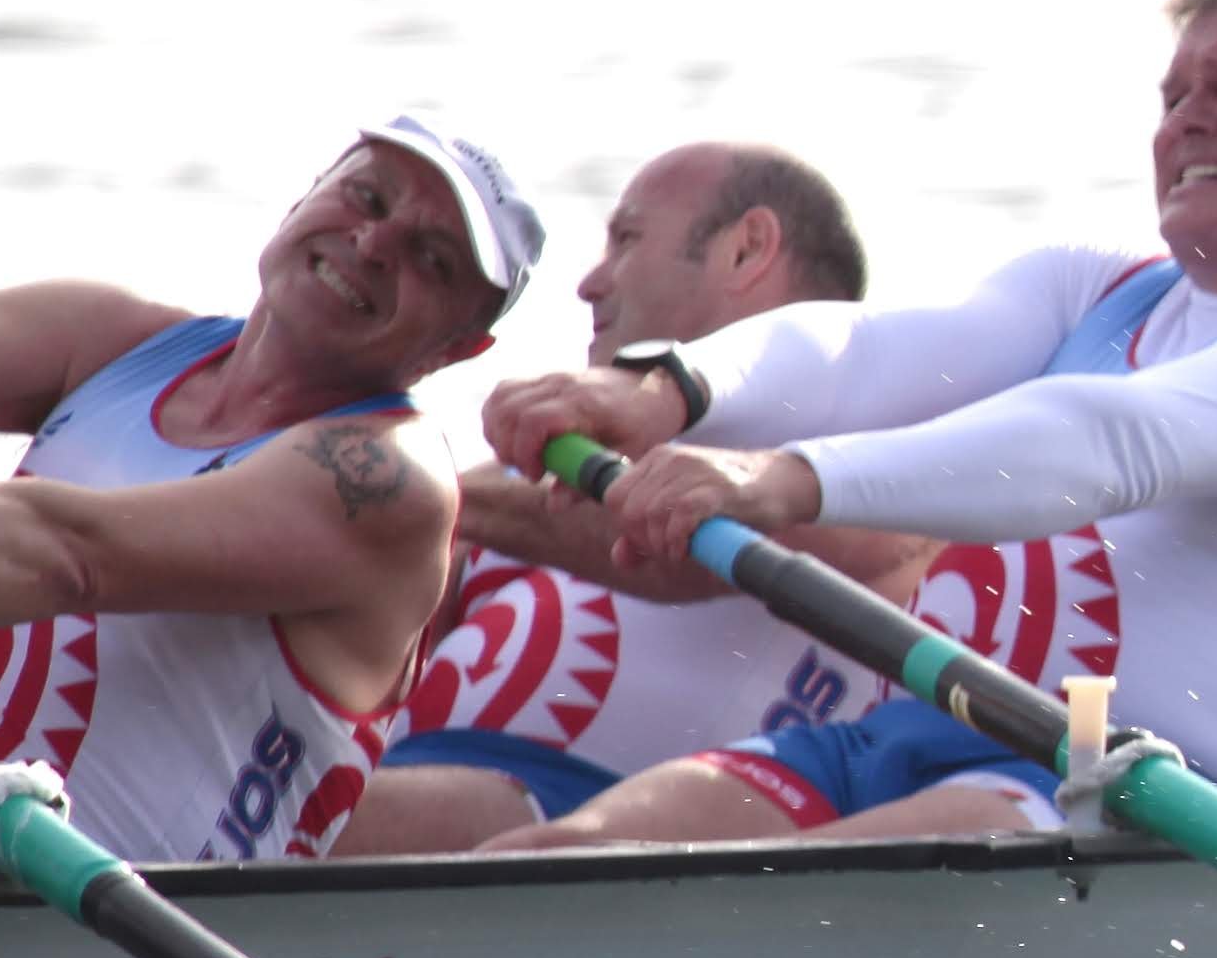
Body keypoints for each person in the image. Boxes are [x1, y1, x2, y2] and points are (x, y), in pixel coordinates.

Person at [479, 0, 1217, 840]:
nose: (1188, 118)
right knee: (549, 874)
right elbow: (864, 355)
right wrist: (671, 390)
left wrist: (777, 479)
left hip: (1151, 819)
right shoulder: (1098, 287)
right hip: (913, 745)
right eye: (1172, 95)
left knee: (727, 920)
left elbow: (1111, 443)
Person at [0, 114, 543, 869]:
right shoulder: (112, 340)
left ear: (460, 347)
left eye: (432, 258)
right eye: (368, 198)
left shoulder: (390, 482)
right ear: (304, 199)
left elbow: (66, 554)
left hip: (51, 917)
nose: (374, 245)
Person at [338, 144, 934, 852]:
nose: (590, 283)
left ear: (747, 250)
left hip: (599, 820)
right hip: (396, 784)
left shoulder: (884, 456)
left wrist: (414, 490)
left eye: (626, 239)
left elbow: (677, 549)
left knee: (298, 818)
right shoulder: (510, 478)